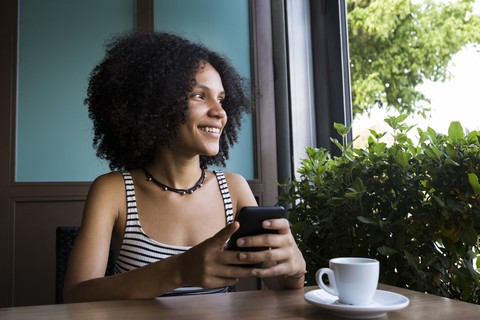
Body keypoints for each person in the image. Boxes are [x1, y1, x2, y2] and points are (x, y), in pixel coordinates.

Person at [63, 31, 306, 303]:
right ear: (158, 104)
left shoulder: (234, 189)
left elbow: (282, 288)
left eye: (222, 99)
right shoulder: (113, 191)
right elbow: (76, 296)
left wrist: (295, 268)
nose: (219, 112)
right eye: (200, 96)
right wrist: (177, 270)